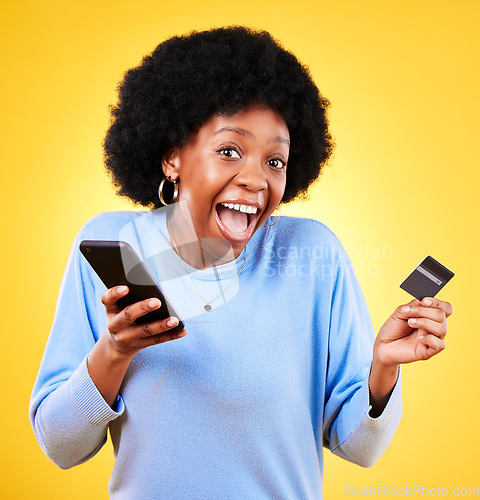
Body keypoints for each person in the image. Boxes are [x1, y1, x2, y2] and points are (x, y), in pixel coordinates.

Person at [30, 26, 453, 499]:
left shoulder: (312, 255)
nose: (255, 179)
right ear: (173, 157)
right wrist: (114, 351)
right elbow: (60, 446)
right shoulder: (114, 247)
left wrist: (382, 370)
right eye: (229, 150)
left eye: (275, 161)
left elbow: (359, 448)